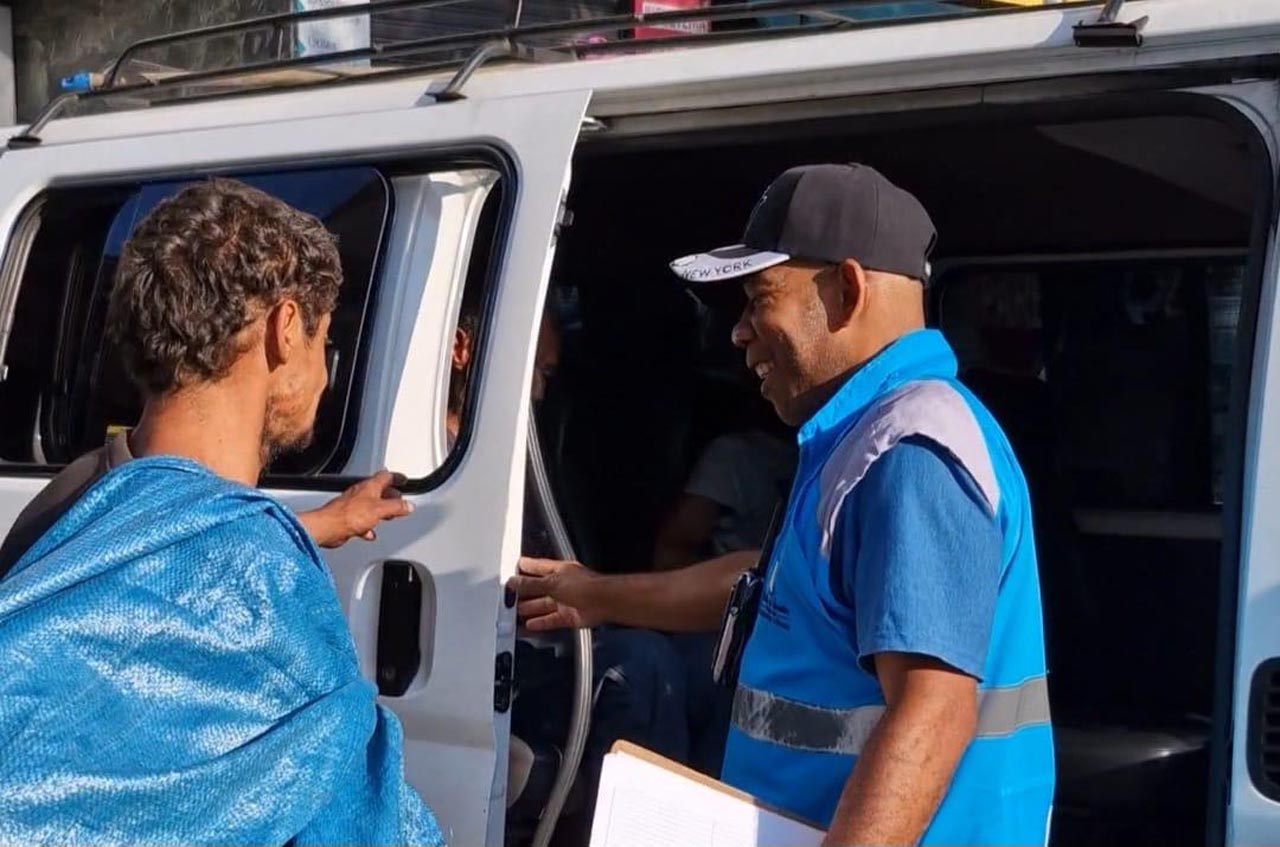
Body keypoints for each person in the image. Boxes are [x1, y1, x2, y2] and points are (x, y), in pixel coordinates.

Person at [514, 163, 1054, 846]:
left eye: (759, 299)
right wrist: (596, 595)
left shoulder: (909, 453)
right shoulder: (861, 438)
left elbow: (932, 713)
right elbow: (766, 586)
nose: (739, 333)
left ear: (847, 290)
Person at [0, 180, 442, 846]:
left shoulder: (67, 507)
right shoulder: (260, 580)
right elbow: (356, 814)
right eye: (325, 342)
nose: (325, 378)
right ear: (284, 329)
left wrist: (316, 524)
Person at [446, 295, 688, 845]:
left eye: (547, 375)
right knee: (643, 665)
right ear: (463, 350)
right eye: (533, 370)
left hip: (537, 643)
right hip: (482, 656)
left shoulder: (521, 453)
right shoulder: (429, 453)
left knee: (689, 668)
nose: (538, 392)